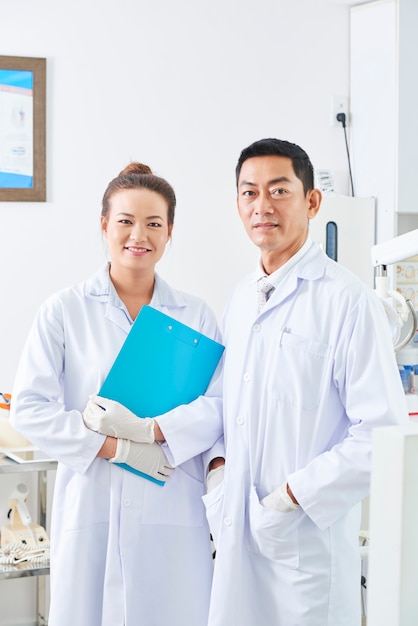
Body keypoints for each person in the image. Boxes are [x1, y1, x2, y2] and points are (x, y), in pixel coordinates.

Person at [203, 138, 408, 626]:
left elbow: (380, 431)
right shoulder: (239, 299)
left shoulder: (346, 301)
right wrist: (217, 472)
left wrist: (291, 497)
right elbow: (220, 404)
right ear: (238, 204)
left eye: (279, 191)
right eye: (249, 193)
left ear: (311, 201)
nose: (262, 206)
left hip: (303, 546)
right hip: (236, 531)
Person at [10, 162, 224, 626]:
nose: (138, 235)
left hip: (170, 506)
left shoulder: (196, 315)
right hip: (92, 503)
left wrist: (154, 429)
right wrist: (118, 448)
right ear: (104, 225)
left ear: (170, 233)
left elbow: (219, 406)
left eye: (153, 223)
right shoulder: (64, 310)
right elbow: (29, 408)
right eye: (125, 221)